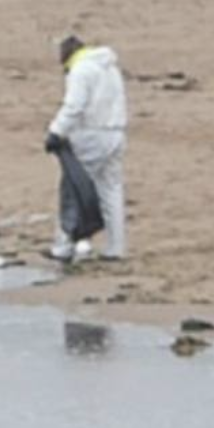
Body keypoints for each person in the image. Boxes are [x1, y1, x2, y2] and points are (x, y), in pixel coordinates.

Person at [44, 35, 127, 261]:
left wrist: (56, 131)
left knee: (72, 189)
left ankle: (63, 246)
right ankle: (115, 248)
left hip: (91, 134)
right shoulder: (109, 67)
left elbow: (75, 106)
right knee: (111, 189)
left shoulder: (80, 70)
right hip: (116, 131)